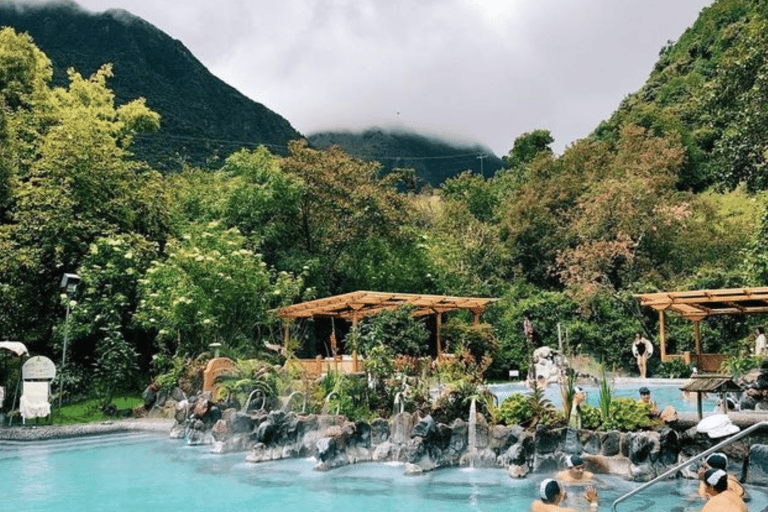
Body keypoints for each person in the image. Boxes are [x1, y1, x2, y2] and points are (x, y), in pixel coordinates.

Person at [530, 479, 599, 512]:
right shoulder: (568, 511)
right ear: (557, 495)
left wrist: (560, 500)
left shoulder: (534, 505)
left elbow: (552, 508)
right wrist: (593, 501)